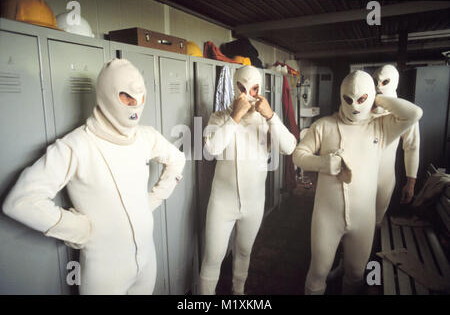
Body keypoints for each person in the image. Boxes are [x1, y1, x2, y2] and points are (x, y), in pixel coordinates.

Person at [2, 59, 186, 294]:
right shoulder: (75, 146)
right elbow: (19, 202)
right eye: (126, 96)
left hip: (148, 259)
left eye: (141, 97)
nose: (135, 105)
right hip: (104, 271)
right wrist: (76, 228)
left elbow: (177, 160)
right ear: (107, 95)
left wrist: (153, 200)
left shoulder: (146, 137)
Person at [293, 70, 422, 295]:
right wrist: (324, 163)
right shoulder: (324, 125)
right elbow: (298, 155)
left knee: (356, 274)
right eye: (349, 99)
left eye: (361, 99)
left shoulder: (380, 127)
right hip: (327, 217)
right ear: (341, 96)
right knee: (318, 273)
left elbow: (414, 114)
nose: (355, 106)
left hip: (364, 217)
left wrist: (376, 96)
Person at [199, 65, 297, 295]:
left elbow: (289, 146)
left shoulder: (266, 121)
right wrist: (235, 117)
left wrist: (271, 116)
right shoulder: (220, 117)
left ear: (260, 89)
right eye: (242, 89)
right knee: (213, 257)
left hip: (253, 203)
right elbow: (211, 149)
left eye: (254, 89)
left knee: (244, 252)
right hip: (222, 203)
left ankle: (238, 293)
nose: (248, 95)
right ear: (235, 88)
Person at [372, 65, 420, 225]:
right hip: (358, 175)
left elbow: (412, 146)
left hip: (385, 177)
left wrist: (411, 182)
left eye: (384, 82)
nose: (379, 87)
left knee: (376, 221)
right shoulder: (363, 107)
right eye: (375, 82)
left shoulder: (404, 112)